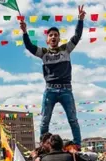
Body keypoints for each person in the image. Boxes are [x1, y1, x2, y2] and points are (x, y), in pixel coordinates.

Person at [19, 6, 86, 147]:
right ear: (47, 40)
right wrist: (25, 32)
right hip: (50, 90)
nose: (53, 36)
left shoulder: (66, 49)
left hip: (66, 90)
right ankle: (44, 146)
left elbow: (77, 36)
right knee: (44, 121)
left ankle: (78, 144)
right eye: (51, 35)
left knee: (73, 119)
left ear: (59, 38)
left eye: (56, 35)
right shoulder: (43, 53)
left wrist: (80, 20)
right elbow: (30, 47)